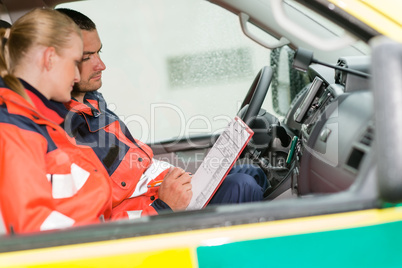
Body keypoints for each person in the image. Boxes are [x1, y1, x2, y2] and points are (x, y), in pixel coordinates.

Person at [57, 8, 268, 219]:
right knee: (244, 185)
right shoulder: (63, 132)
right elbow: (99, 224)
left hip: (158, 185)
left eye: (99, 53)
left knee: (252, 171)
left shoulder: (91, 98)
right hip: (153, 211)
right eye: (87, 57)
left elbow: (133, 164)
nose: (101, 65)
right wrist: (163, 207)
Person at [0, 8, 118, 234]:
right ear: (50, 58)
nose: (76, 77)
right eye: (76, 62)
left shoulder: (43, 122)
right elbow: (34, 231)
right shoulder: (14, 129)